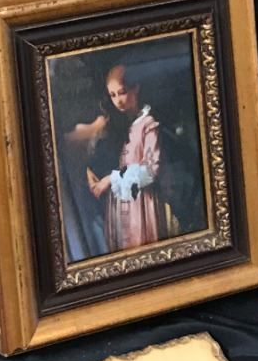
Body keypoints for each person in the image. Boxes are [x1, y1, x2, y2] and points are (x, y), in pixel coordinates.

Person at [65, 64, 178, 253]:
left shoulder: (148, 125)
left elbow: (150, 171)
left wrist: (110, 179)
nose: (118, 100)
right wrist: (92, 173)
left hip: (142, 207)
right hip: (124, 207)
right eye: (113, 95)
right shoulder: (124, 126)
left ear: (136, 89)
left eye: (122, 92)